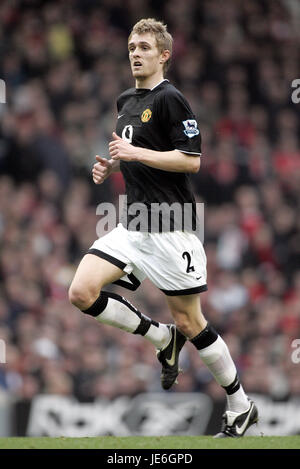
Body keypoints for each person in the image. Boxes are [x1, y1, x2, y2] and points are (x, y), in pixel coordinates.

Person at [68, 18, 258, 438]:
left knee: (191, 322)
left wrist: (134, 151)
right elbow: (130, 152)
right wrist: (110, 164)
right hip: (133, 223)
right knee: (81, 292)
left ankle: (239, 403)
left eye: (144, 48)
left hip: (171, 226)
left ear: (163, 55)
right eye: (132, 46)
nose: (135, 53)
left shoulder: (173, 99)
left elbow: (191, 160)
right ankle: (160, 339)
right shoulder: (125, 100)